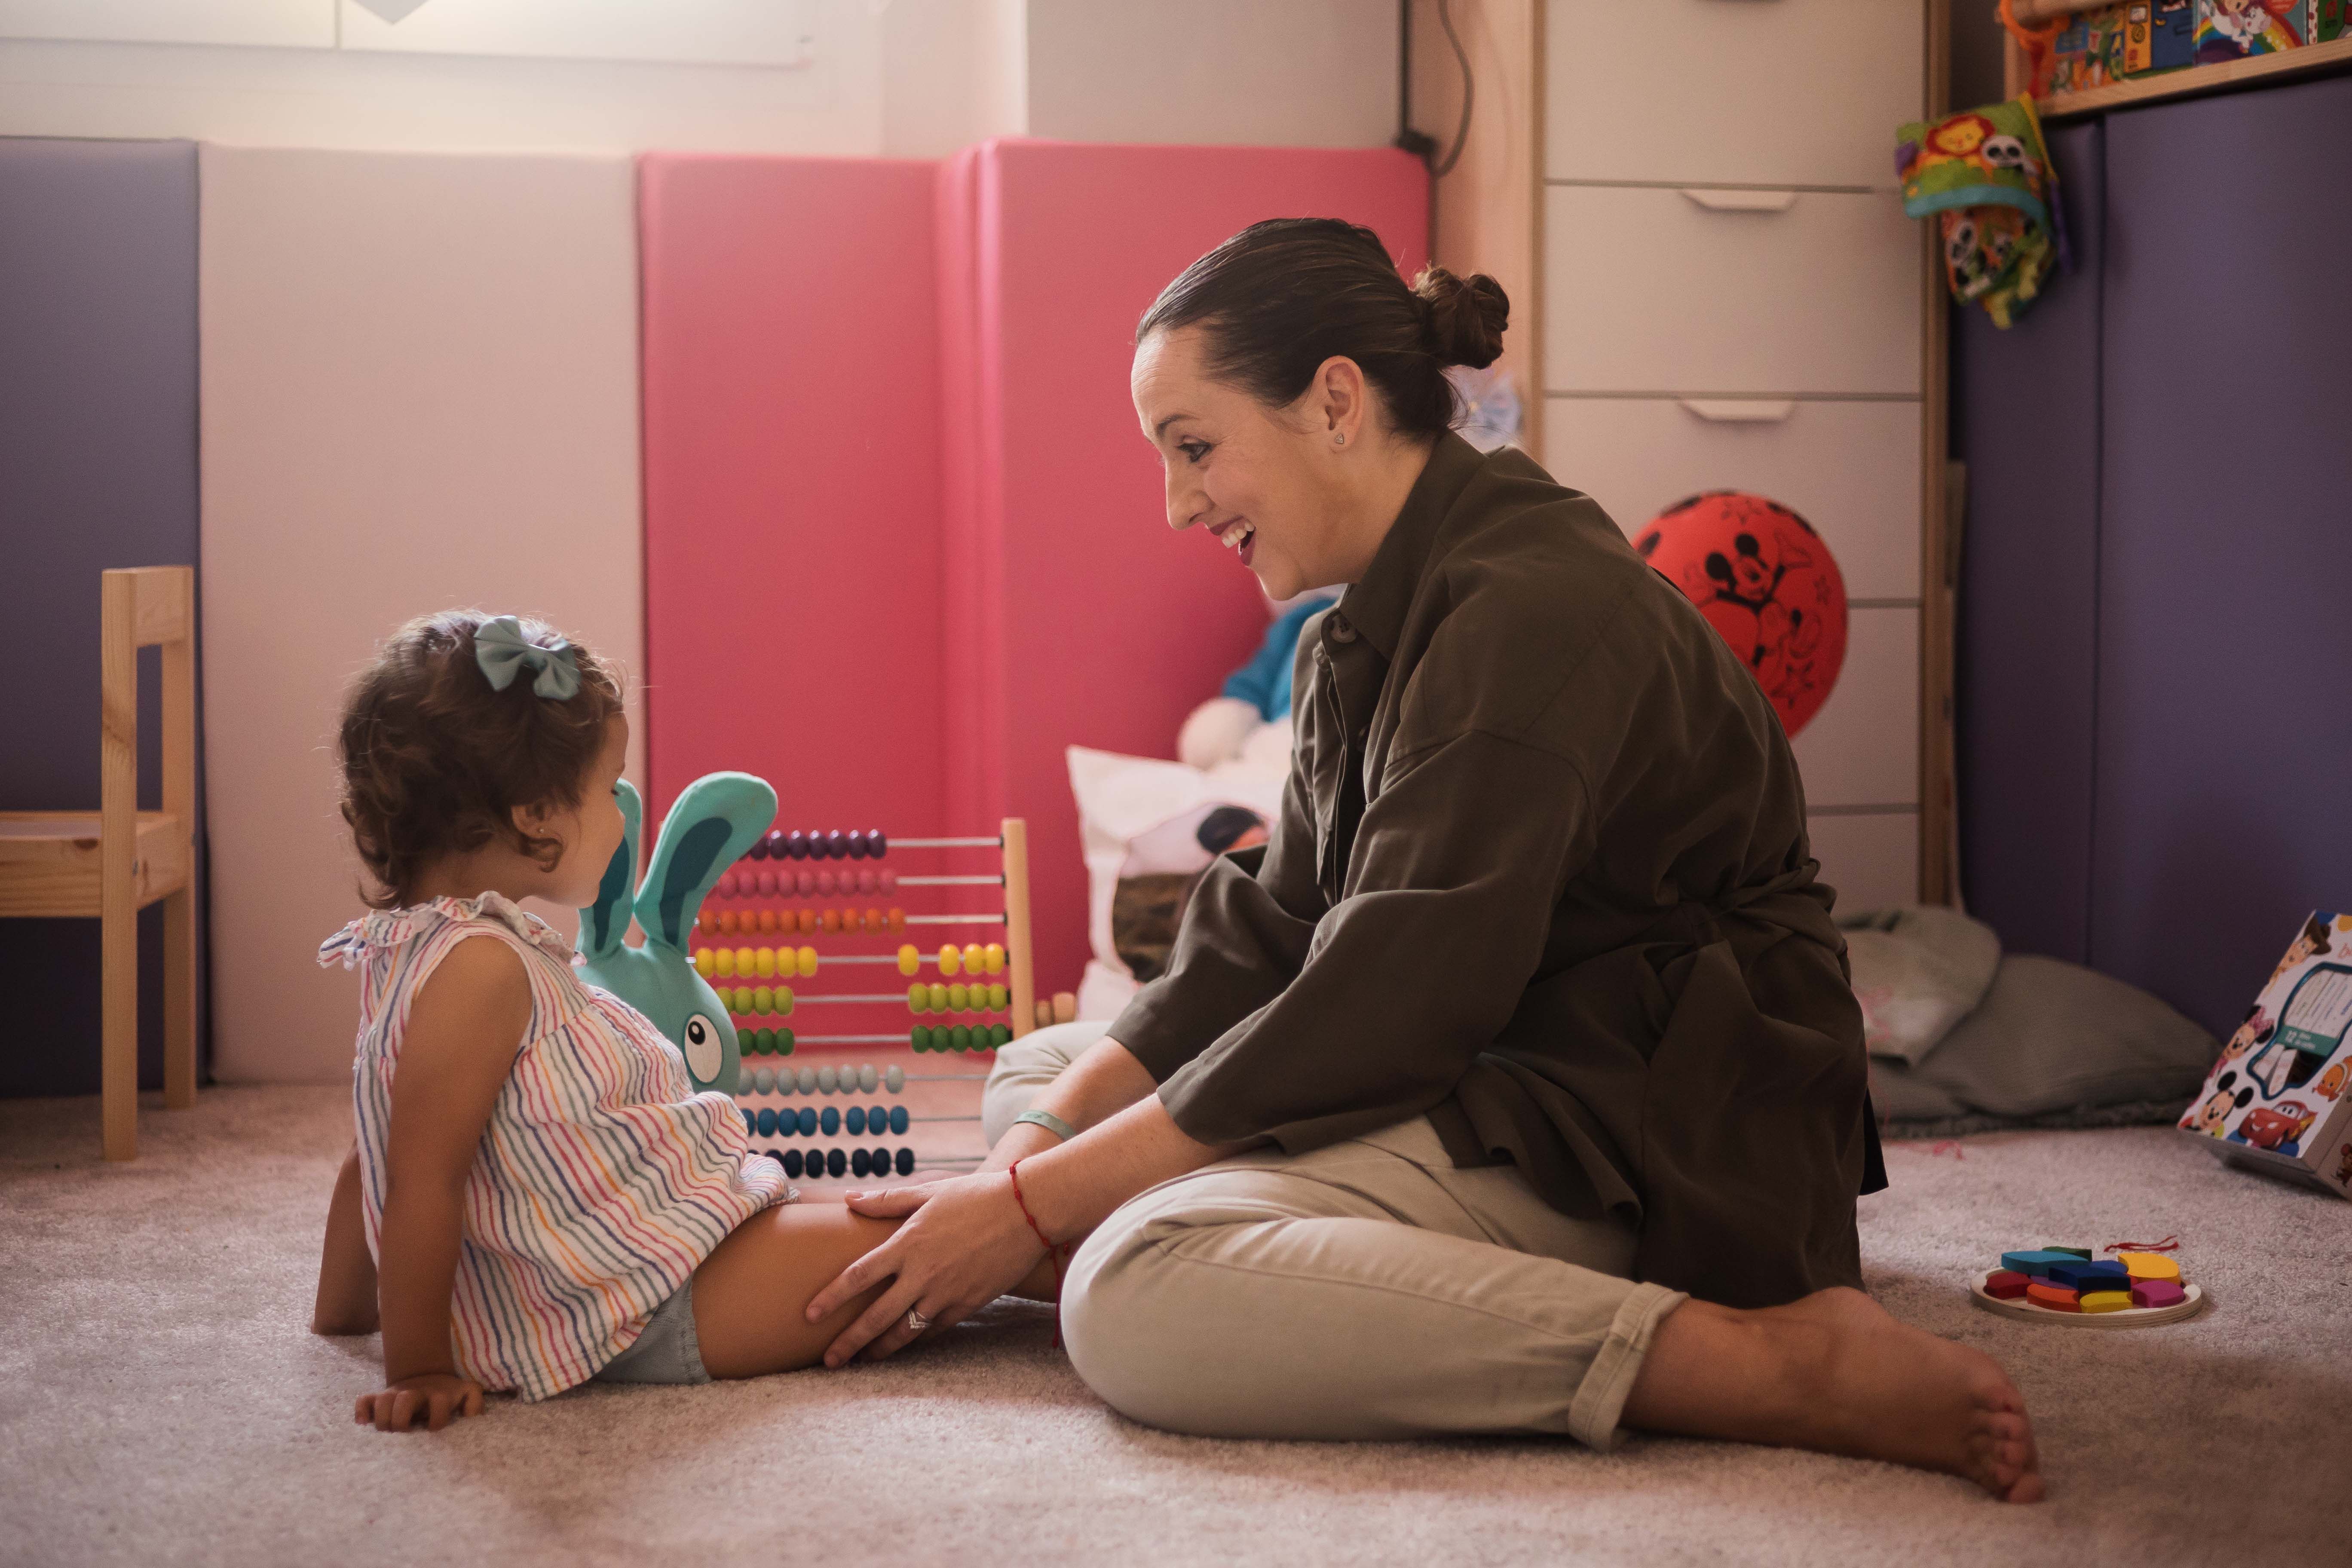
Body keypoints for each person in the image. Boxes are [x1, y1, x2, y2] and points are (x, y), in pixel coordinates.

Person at [802, 219, 2043, 1502]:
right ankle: (1276, 1257)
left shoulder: (1533, 606)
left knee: (1131, 1287)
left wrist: (1031, 1216)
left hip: (1645, 1107)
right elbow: (1277, 930)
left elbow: (1388, 1001)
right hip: (1497, 1048)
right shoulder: (1358, 627)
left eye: (1195, 448)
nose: (1178, 505)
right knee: (1040, 1081)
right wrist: (1025, 1171)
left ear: (1336, 402)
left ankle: (1758, 1359)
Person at [306, 610, 1054, 1431]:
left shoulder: (417, 949)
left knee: (926, 1217)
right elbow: (419, 1175)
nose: (622, 815)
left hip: (667, 1245)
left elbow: (372, 1154)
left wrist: (343, 1314)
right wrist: (418, 1365)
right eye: (608, 789)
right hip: (650, 1297)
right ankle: (1121, 1254)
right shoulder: (478, 968)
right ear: (536, 815)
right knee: (943, 1238)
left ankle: (1089, 1231)